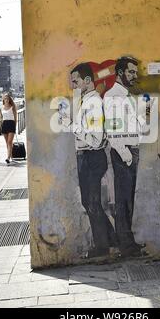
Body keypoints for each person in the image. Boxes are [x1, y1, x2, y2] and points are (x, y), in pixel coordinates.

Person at [59, 62, 117, 258]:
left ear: (87, 80)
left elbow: (96, 138)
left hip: (91, 157)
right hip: (88, 156)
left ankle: (102, 247)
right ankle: (111, 239)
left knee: (91, 202)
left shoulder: (93, 103)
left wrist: (72, 126)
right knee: (90, 202)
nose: (73, 85)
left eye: (75, 81)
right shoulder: (87, 101)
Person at [104, 56, 146, 257]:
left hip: (131, 149)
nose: (134, 75)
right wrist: (126, 154)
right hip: (124, 152)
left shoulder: (126, 95)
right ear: (120, 73)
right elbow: (111, 129)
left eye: (135, 72)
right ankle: (126, 245)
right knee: (123, 199)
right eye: (131, 72)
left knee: (128, 198)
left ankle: (128, 242)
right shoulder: (113, 96)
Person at [1, 93, 17, 165]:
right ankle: (11, 156)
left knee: (10, 141)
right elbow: (1, 118)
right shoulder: (2, 107)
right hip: (4, 124)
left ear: (9, 99)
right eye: (5, 98)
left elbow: (15, 117)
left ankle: (8, 158)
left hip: (11, 124)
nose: (6, 100)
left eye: (7, 98)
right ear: (3, 100)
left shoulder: (12, 106)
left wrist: (15, 126)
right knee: (7, 142)